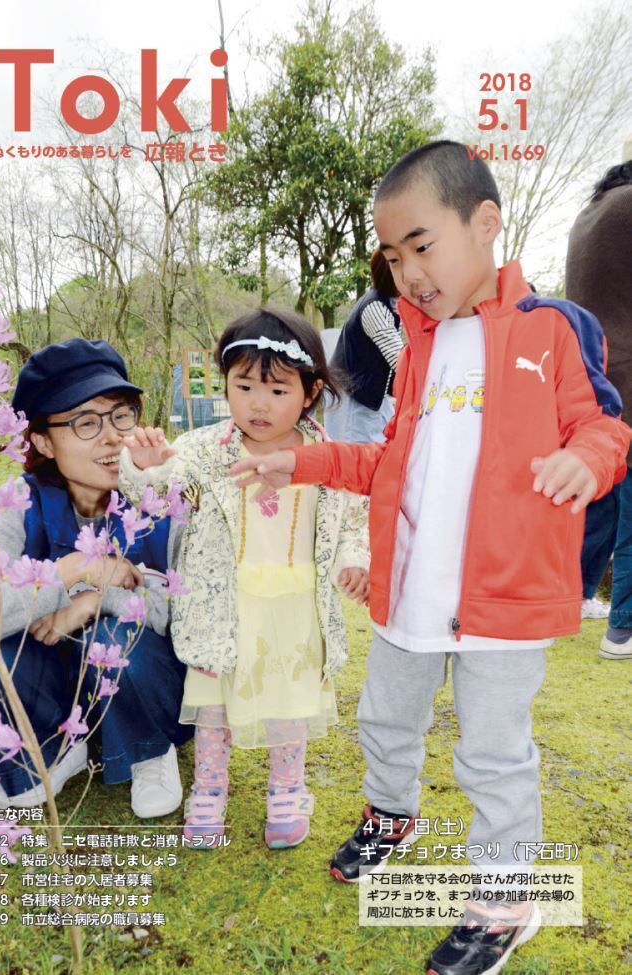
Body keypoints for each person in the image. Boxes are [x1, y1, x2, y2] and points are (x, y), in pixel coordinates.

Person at [230, 142, 631, 975]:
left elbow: (606, 425)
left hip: (503, 600)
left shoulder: (551, 329)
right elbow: (385, 464)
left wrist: (585, 460)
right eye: (392, 254)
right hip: (411, 591)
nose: (408, 270)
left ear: (484, 224)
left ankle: (504, 900)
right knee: (385, 718)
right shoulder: (417, 347)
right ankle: (392, 814)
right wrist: (296, 459)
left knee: (493, 753)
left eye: (423, 244)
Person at [118, 309, 369, 849]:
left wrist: (355, 560)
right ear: (224, 384)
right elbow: (162, 501)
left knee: (289, 700)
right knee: (214, 704)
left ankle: (286, 790)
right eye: (244, 385)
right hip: (223, 603)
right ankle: (208, 794)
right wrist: (149, 468)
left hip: (296, 605)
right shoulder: (202, 452)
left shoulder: (329, 458)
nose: (259, 403)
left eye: (277, 389)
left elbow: (354, 520)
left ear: (310, 392)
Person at [0, 338, 192, 816]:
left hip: (145, 683)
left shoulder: (157, 493)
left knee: (115, 638)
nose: (112, 437)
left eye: (121, 414)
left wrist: (95, 600)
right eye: (85, 422)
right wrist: (75, 570)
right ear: (41, 440)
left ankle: (148, 749)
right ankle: (52, 751)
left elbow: (186, 611)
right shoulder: (15, 504)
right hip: (54, 686)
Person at [567, 160, 632, 656]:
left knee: (599, 503)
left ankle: (565, 600)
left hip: (588, 378)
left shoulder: (588, 216)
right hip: (628, 378)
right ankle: (623, 628)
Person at [325, 248, 404, 443]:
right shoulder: (375, 308)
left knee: (381, 447)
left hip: (371, 393)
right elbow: (400, 361)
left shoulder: (391, 302)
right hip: (352, 395)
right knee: (356, 455)